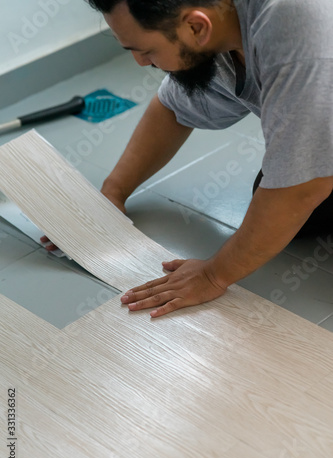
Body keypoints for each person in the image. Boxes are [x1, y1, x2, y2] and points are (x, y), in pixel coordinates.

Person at [45, 0, 333, 317]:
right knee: (289, 201)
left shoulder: (298, 28)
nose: (141, 62)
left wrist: (215, 274)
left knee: (293, 193)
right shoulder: (222, 25)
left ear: (196, 26)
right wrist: (113, 192)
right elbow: (173, 109)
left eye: (147, 51)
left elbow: (304, 185)